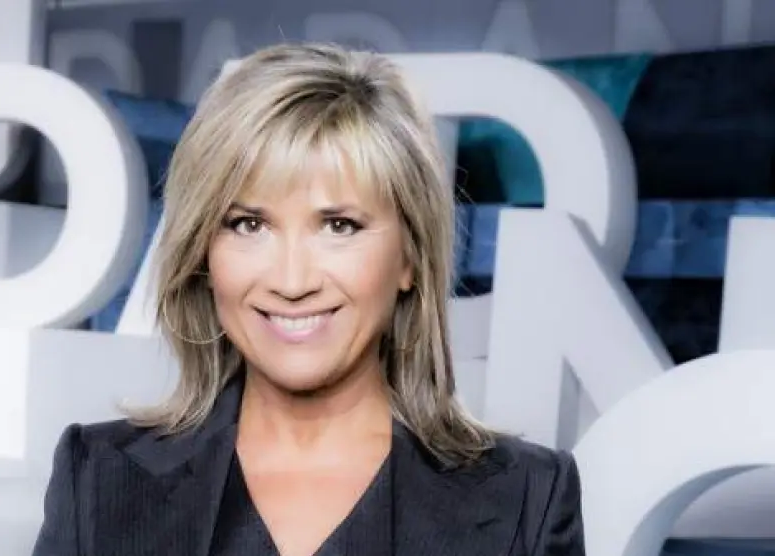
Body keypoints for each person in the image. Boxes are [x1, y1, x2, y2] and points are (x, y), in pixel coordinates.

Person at [32, 43, 585, 556]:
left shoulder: (527, 500)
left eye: (339, 225)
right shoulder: (98, 478)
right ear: (202, 252)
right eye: (249, 224)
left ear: (410, 258)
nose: (292, 281)